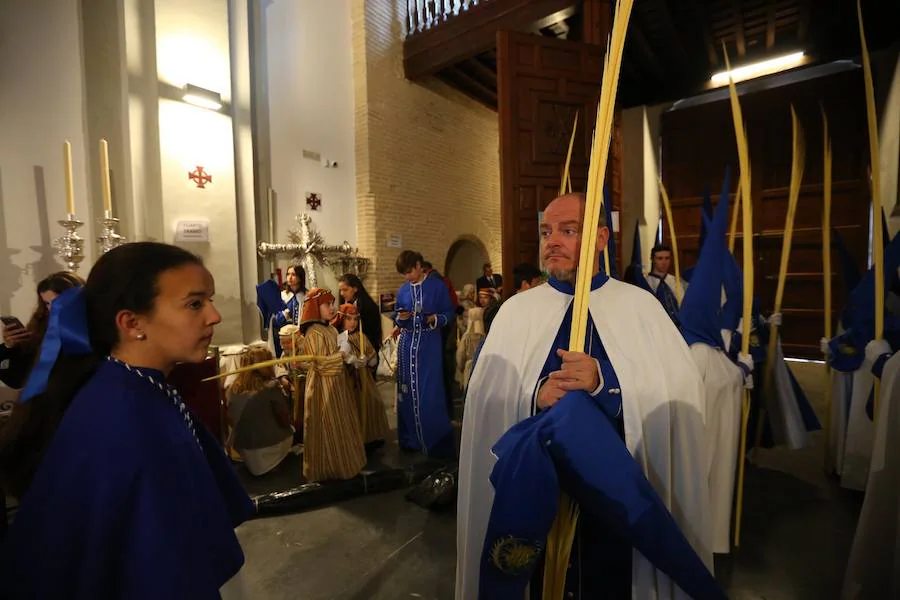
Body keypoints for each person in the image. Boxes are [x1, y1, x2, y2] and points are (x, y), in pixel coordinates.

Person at [456, 193, 716, 599]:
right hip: (534, 502)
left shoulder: (640, 308)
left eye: (568, 231)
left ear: (599, 239)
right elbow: (483, 397)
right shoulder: (515, 312)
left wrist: (606, 382)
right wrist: (532, 394)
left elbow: (678, 397)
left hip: (612, 511)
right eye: (546, 231)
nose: (552, 241)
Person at [0, 242, 253, 598]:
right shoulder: (122, 415)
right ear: (132, 322)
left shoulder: (140, 385)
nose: (214, 316)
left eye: (209, 300)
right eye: (195, 303)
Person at [297, 288, 366, 481]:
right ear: (315, 308)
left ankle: (343, 465)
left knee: (340, 424)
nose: (332, 308)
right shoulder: (314, 333)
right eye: (327, 304)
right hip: (322, 387)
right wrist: (342, 355)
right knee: (326, 427)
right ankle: (327, 469)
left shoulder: (329, 328)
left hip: (337, 384)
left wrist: (346, 355)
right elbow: (321, 365)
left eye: (332, 303)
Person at [394, 250, 455, 457]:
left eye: (410, 271)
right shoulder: (402, 290)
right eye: (405, 273)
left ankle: (433, 437)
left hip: (429, 345)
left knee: (429, 390)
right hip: (407, 344)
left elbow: (449, 313)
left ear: (420, 266)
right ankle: (411, 439)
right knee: (407, 392)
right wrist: (400, 318)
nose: (408, 277)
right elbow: (397, 315)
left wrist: (433, 319)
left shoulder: (437, 286)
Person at [0, 272, 84, 389]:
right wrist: (10, 347)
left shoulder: (95, 328)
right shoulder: (41, 330)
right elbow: (16, 381)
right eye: (47, 304)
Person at [226, 345, 295, 476]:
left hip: (243, 448)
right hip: (265, 448)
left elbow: (230, 419)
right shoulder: (271, 387)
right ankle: (274, 464)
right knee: (292, 431)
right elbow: (284, 420)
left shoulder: (233, 387)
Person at [337, 304, 390, 448]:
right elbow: (336, 356)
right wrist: (349, 360)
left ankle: (370, 437)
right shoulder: (338, 337)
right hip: (348, 379)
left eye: (355, 319)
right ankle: (355, 440)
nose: (352, 322)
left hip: (364, 377)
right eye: (349, 319)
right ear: (342, 319)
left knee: (372, 402)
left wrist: (367, 359)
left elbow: (371, 355)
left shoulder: (361, 336)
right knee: (354, 407)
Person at [336, 273, 382, 357]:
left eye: (345, 290)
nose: (342, 293)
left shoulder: (367, 306)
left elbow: (370, 332)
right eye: (340, 290)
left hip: (366, 348)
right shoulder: (348, 303)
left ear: (355, 288)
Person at [646, 243, 687, 325]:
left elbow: (684, 304)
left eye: (667, 258)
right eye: (660, 258)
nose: (664, 262)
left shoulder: (676, 281)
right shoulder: (646, 283)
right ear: (652, 259)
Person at [274, 263, 307, 329]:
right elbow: (277, 320)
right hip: (285, 332)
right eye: (288, 274)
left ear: (300, 277)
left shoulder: (305, 295)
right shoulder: (283, 295)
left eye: (293, 274)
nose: (290, 277)